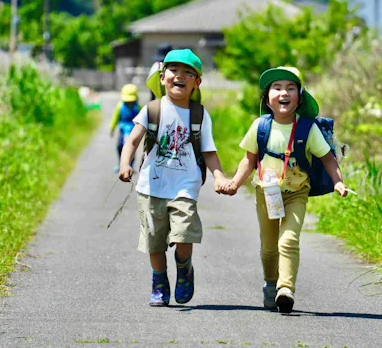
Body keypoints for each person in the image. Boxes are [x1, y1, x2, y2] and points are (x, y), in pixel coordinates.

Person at [219, 66, 349, 313]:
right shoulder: (260, 126)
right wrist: (235, 183)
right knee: (269, 248)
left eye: (290, 88)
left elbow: (328, 158)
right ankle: (270, 283)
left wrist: (338, 181)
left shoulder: (307, 128)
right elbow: (249, 159)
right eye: (276, 88)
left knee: (288, 240)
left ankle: (285, 288)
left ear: (300, 97)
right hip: (266, 193)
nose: (283, 93)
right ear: (267, 98)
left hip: (296, 193)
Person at [118, 49, 230, 307]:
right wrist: (125, 164)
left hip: (184, 188)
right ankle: (159, 283)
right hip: (151, 187)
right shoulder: (152, 110)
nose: (179, 76)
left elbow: (209, 152)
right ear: (162, 76)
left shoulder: (200, 115)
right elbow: (132, 140)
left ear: (196, 82)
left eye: (187, 73)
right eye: (173, 71)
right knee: (154, 242)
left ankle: (184, 268)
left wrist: (219, 176)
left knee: (184, 235)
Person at [109, 83, 141, 172]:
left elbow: (143, 119)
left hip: (133, 130)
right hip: (122, 130)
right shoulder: (120, 106)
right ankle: (121, 164)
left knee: (132, 148)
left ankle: (130, 166)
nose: (129, 102)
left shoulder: (138, 107)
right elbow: (115, 117)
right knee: (119, 147)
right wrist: (112, 128)